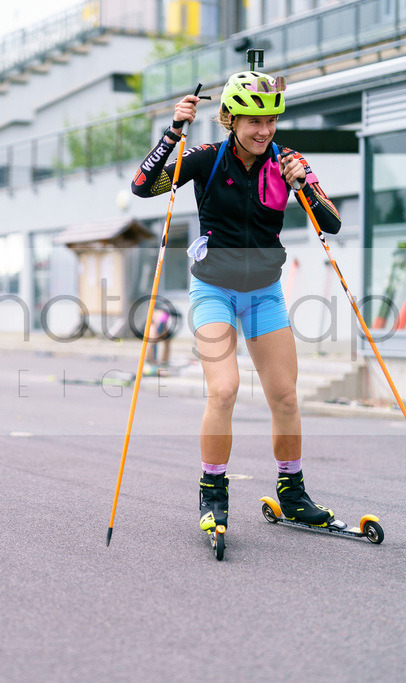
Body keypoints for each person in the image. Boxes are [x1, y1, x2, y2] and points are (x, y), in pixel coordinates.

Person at [130, 70, 343, 538]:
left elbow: (332, 223)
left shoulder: (287, 161)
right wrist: (173, 132)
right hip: (214, 292)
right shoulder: (206, 158)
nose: (263, 130)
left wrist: (303, 184)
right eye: (253, 121)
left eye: (270, 120)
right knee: (223, 389)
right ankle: (213, 490)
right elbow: (143, 186)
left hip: (265, 293)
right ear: (230, 118)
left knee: (286, 395)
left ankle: (293, 491)